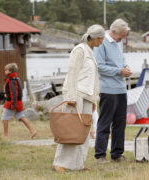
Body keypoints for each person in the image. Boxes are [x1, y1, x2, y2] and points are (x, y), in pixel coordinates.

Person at [52, 24, 105, 172]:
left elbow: (92, 78)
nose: (101, 42)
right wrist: (71, 97)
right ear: (94, 38)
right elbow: (72, 74)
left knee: (84, 131)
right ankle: (60, 162)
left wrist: (93, 99)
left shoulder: (90, 52)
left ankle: (77, 164)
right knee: (70, 129)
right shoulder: (79, 50)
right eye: (101, 39)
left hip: (87, 96)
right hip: (76, 95)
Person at [94, 19, 132, 163]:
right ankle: (100, 155)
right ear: (114, 31)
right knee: (105, 122)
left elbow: (121, 60)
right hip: (107, 89)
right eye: (122, 35)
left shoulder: (119, 42)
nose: (124, 38)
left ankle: (117, 154)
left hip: (121, 88)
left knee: (120, 123)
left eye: (125, 35)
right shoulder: (102, 42)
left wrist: (126, 67)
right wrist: (119, 71)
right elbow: (99, 66)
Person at [1, 63, 37, 139]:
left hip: (12, 103)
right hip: (18, 102)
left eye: (6, 70)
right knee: (21, 117)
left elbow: (14, 93)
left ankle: (5, 135)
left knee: (4, 117)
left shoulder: (11, 81)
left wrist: (13, 104)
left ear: (9, 71)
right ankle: (32, 130)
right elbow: (18, 92)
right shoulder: (17, 79)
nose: (5, 71)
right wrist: (7, 95)